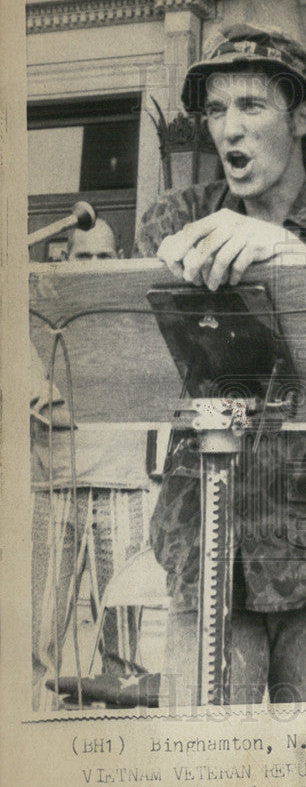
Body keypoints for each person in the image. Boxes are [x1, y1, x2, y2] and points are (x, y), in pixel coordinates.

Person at [133, 23, 306, 706]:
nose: (229, 129)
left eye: (251, 106)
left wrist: (290, 254)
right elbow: (145, 365)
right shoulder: (175, 222)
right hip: (202, 547)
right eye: (217, 110)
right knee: (200, 778)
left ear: (302, 117)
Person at [31, 220, 156, 710]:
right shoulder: (37, 315)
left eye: (106, 257)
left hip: (123, 490)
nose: (96, 267)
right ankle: (27, 731)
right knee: (36, 638)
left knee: (122, 650)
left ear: (119, 255)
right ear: (65, 256)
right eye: (86, 257)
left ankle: (117, 748)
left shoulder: (135, 314)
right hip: (51, 489)